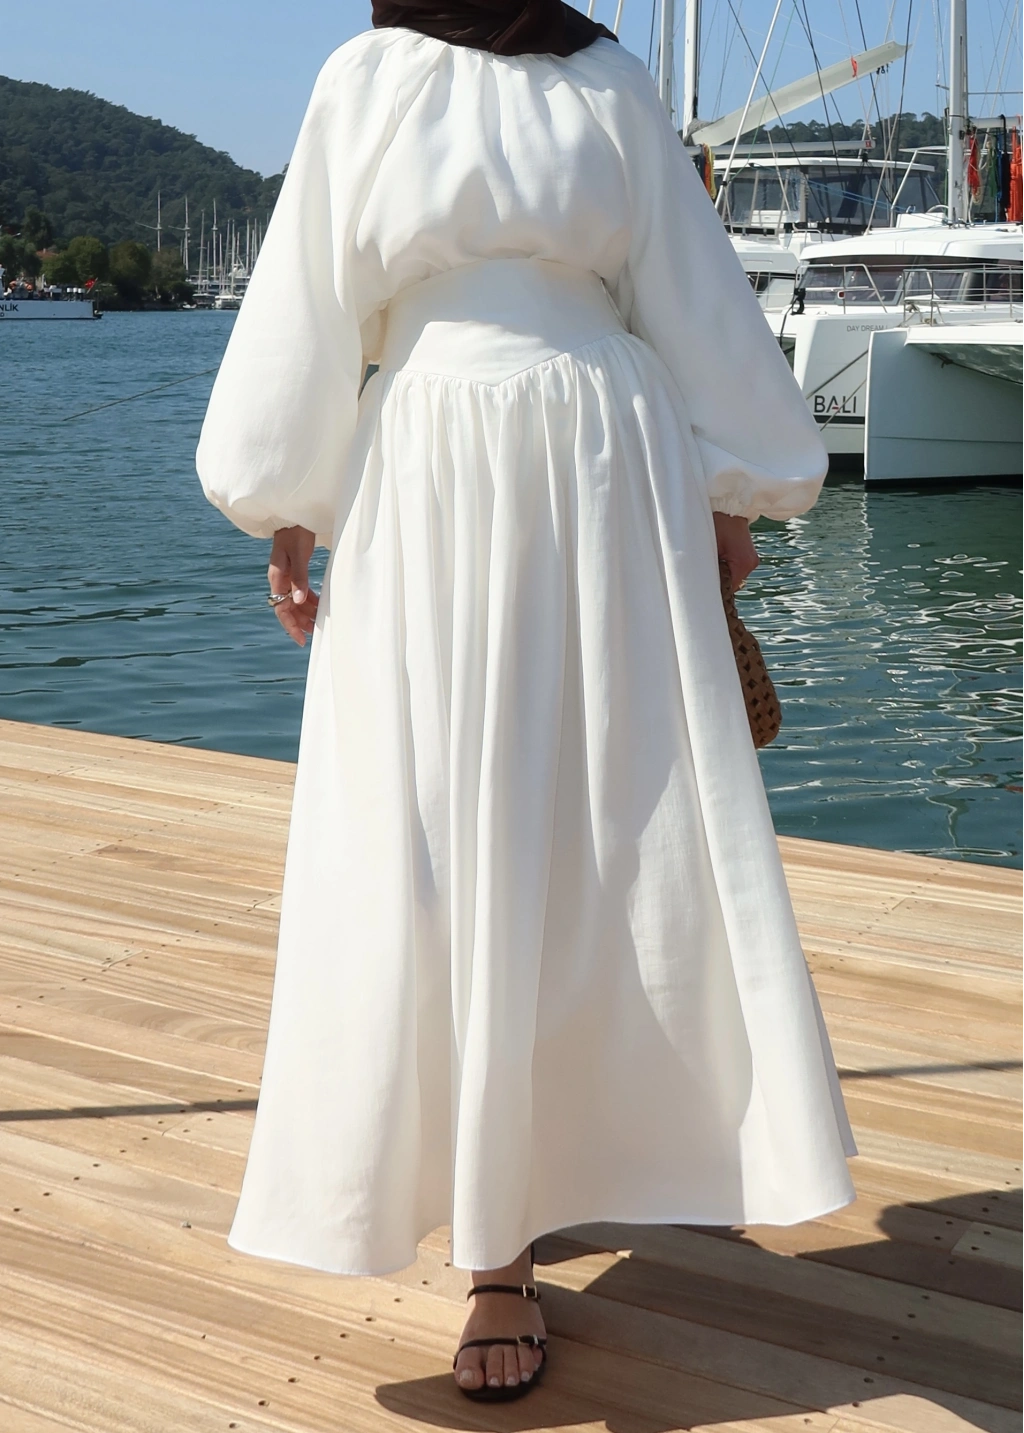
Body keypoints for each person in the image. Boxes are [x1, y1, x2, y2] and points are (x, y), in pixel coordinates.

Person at [196, 0, 857, 1404]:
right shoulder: (372, 75)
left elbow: (683, 285)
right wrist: (290, 497)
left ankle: (571, 1175)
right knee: (435, 835)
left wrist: (728, 492)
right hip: (434, 456)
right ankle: (494, 1248)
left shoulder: (607, 76)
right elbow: (314, 292)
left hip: (608, 458)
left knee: (616, 826)